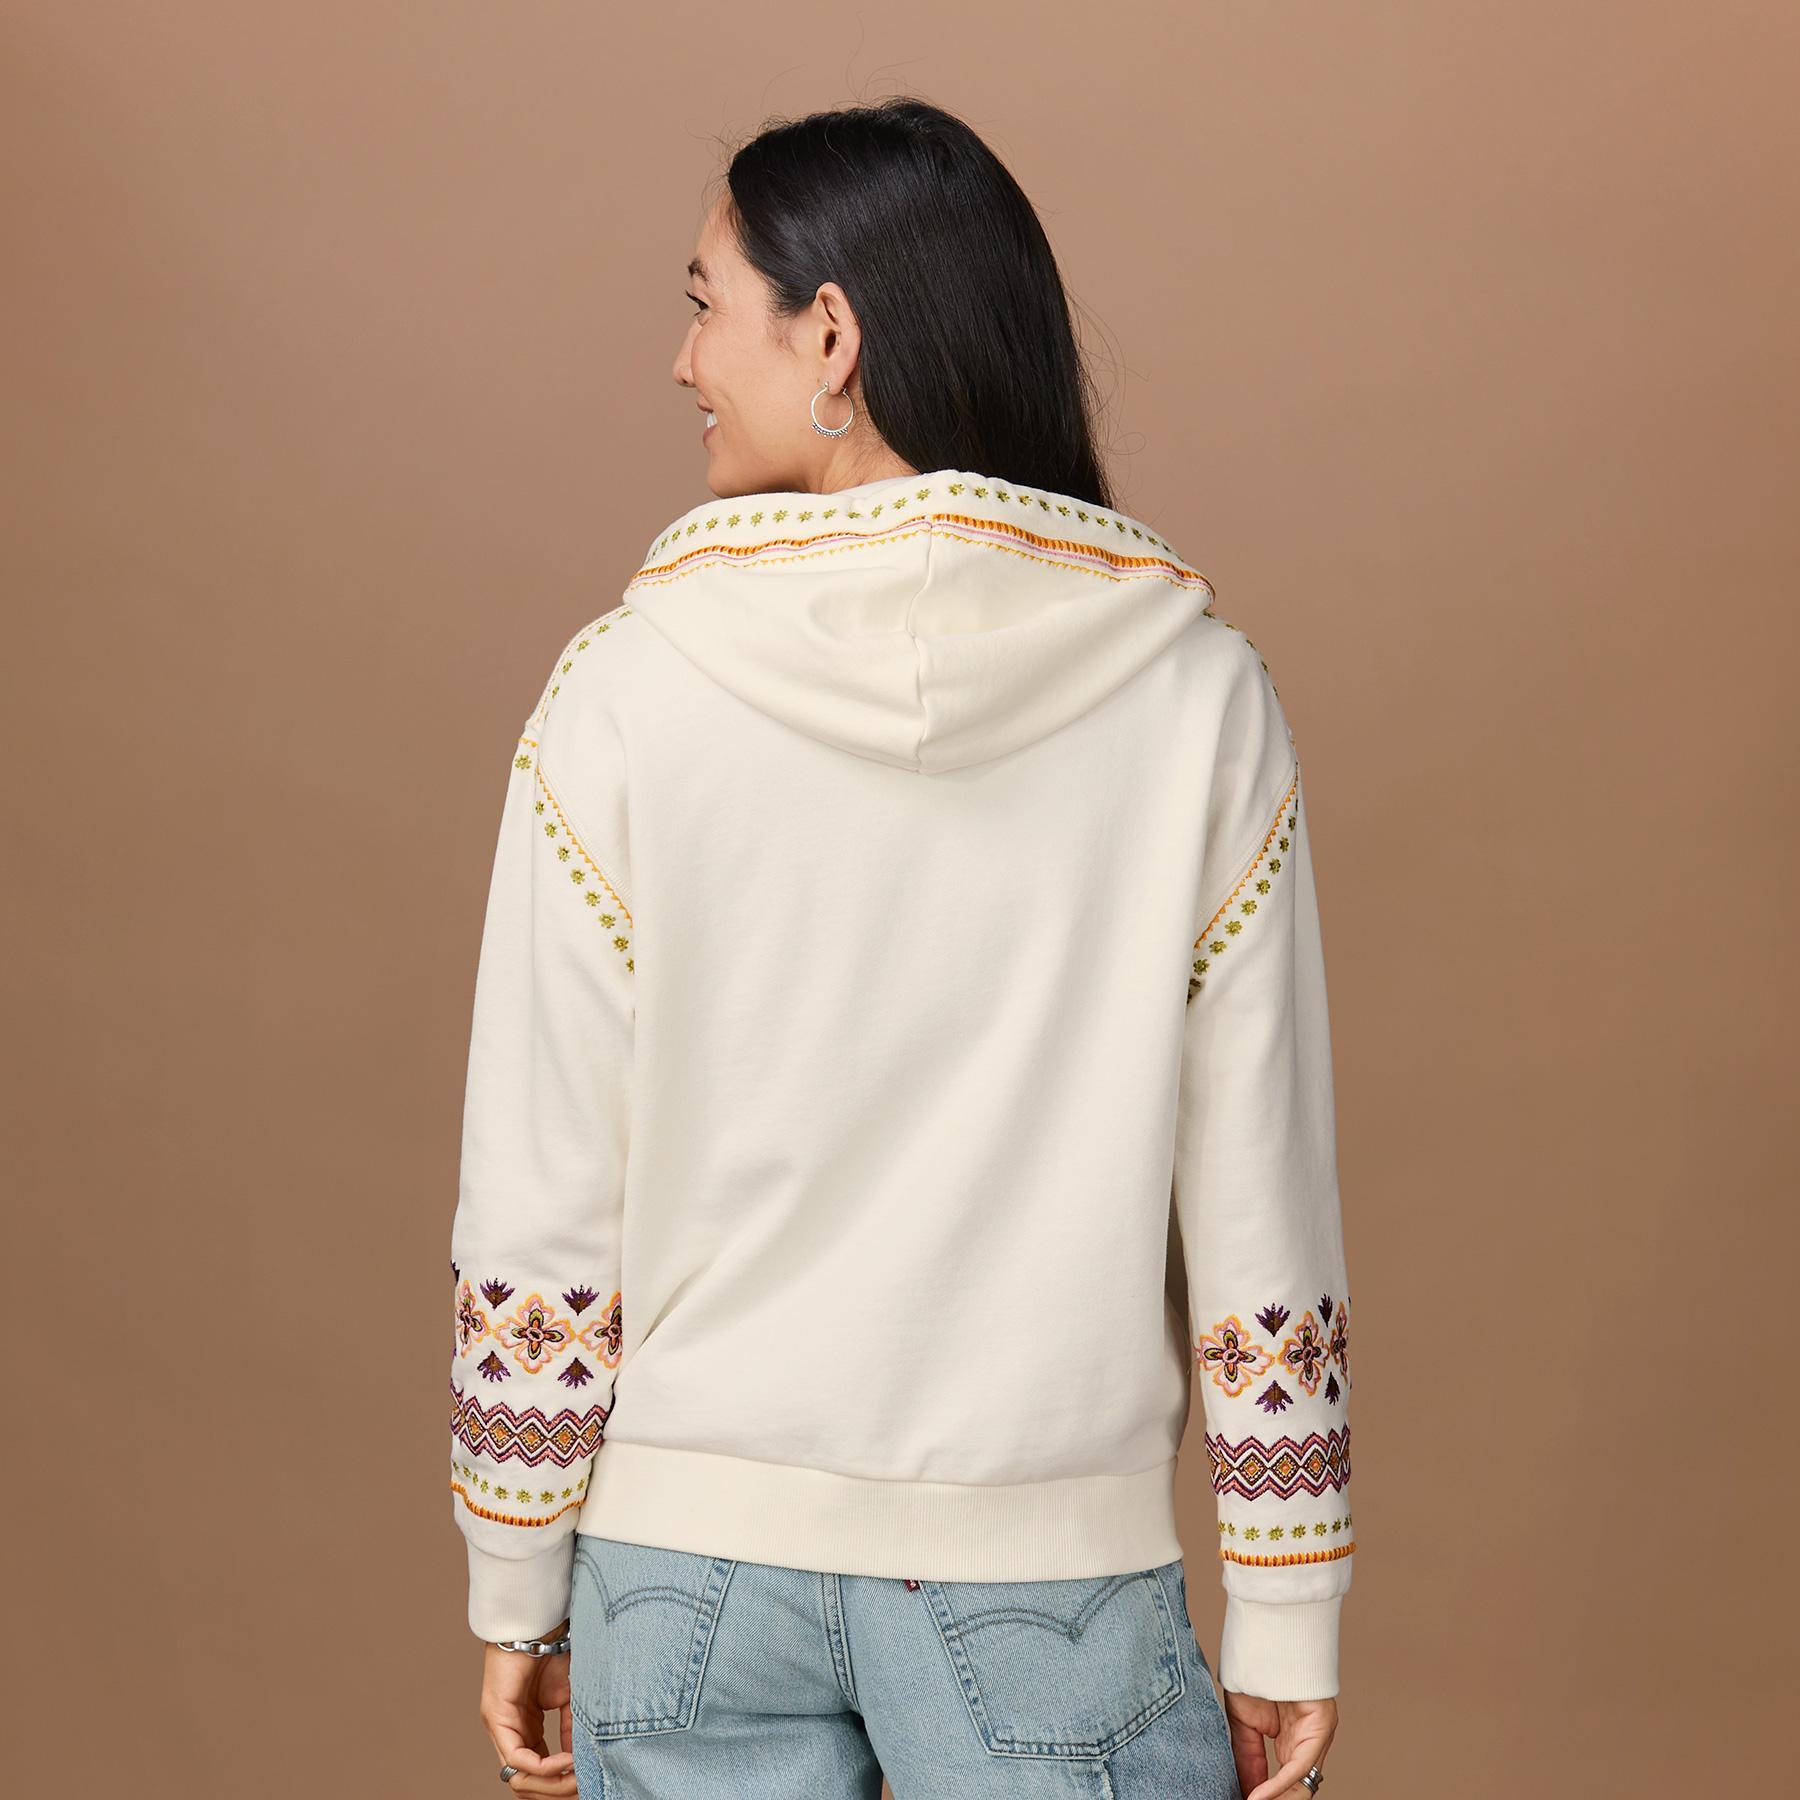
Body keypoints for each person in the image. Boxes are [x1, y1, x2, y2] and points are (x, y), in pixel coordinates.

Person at [448, 96, 1355, 1800]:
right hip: (1050, 1580)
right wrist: (1286, 1608)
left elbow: (546, 1173)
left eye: (706, 305)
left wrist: (518, 1569)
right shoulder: (1194, 698)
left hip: (683, 1577)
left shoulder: (622, 693)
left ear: (833, 337)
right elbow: (1261, 1191)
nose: (680, 358)